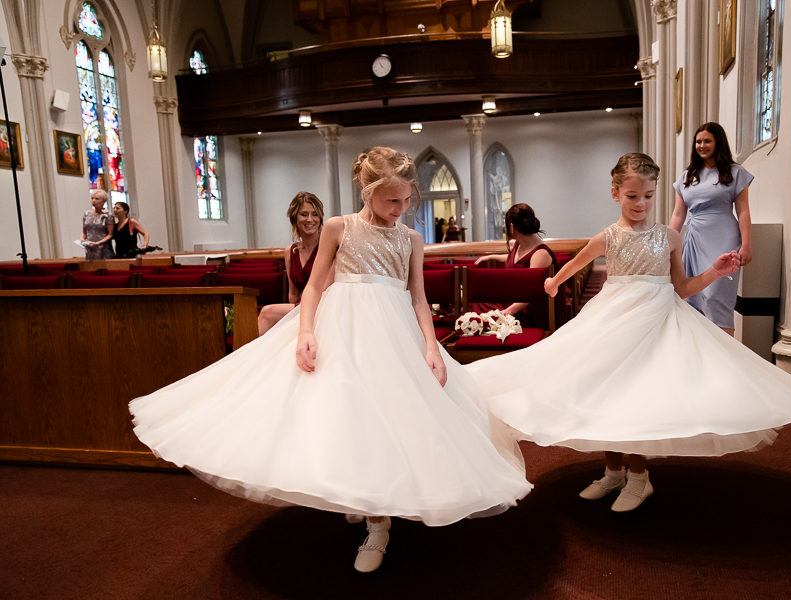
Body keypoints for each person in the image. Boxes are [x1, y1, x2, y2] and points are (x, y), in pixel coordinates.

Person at [130, 146, 531, 574]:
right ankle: (365, 501)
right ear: (367, 190)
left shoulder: (411, 239)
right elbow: (315, 288)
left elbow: (417, 298)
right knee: (345, 414)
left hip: (393, 334)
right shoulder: (339, 228)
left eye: (407, 199)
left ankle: (380, 521)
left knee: (390, 419)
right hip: (341, 328)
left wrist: (432, 348)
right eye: (393, 200)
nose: (402, 208)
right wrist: (305, 332)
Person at [466, 153, 791, 513]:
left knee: (638, 395)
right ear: (615, 194)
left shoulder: (669, 237)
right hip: (612, 320)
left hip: (656, 321)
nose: (641, 204)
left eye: (649, 196)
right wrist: (552, 283)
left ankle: (639, 476)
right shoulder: (607, 237)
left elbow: (681, 287)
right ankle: (613, 471)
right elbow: (570, 267)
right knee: (603, 392)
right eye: (632, 196)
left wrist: (716, 272)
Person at [669, 122, 753, 335]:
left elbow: (743, 211)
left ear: (718, 143)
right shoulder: (687, 176)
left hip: (724, 236)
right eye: (698, 141)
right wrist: (667, 243)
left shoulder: (735, 172)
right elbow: (679, 214)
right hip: (695, 237)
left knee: (716, 295)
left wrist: (746, 244)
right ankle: (695, 350)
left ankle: (725, 350)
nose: (702, 145)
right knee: (692, 294)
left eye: (707, 141)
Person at [472, 203, 558, 328]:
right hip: (513, 299)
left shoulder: (541, 254)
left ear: (511, 227)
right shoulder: (520, 243)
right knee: (479, 299)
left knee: (484, 307)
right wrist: (491, 256)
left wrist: (509, 311)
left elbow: (532, 292)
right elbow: (516, 261)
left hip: (528, 310)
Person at [257, 192, 324, 335]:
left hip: (324, 305)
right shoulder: (290, 252)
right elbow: (293, 294)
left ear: (320, 218)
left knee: (267, 313)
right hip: (300, 306)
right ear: (295, 218)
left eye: (315, 214)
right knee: (271, 317)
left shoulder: (327, 247)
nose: (310, 219)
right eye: (304, 214)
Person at [81, 189, 115, 260]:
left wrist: (97, 243)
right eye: (92, 198)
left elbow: (110, 234)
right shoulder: (87, 214)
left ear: (103, 201)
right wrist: (82, 239)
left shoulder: (108, 215)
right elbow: (84, 232)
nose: (93, 200)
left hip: (103, 248)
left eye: (97, 199)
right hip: (90, 249)